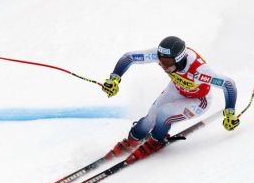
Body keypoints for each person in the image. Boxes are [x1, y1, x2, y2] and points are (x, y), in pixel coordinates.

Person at [102, 36, 239, 162]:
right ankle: (133, 139)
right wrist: (114, 78)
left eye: (167, 62)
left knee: (164, 113)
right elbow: (128, 57)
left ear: (179, 59)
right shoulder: (163, 56)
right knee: (152, 115)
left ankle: (156, 141)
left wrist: (230, 113)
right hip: (177, 88)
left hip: (199, 100)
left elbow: (228, 84)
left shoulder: (198, 70)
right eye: (160, 60)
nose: (163, 65)